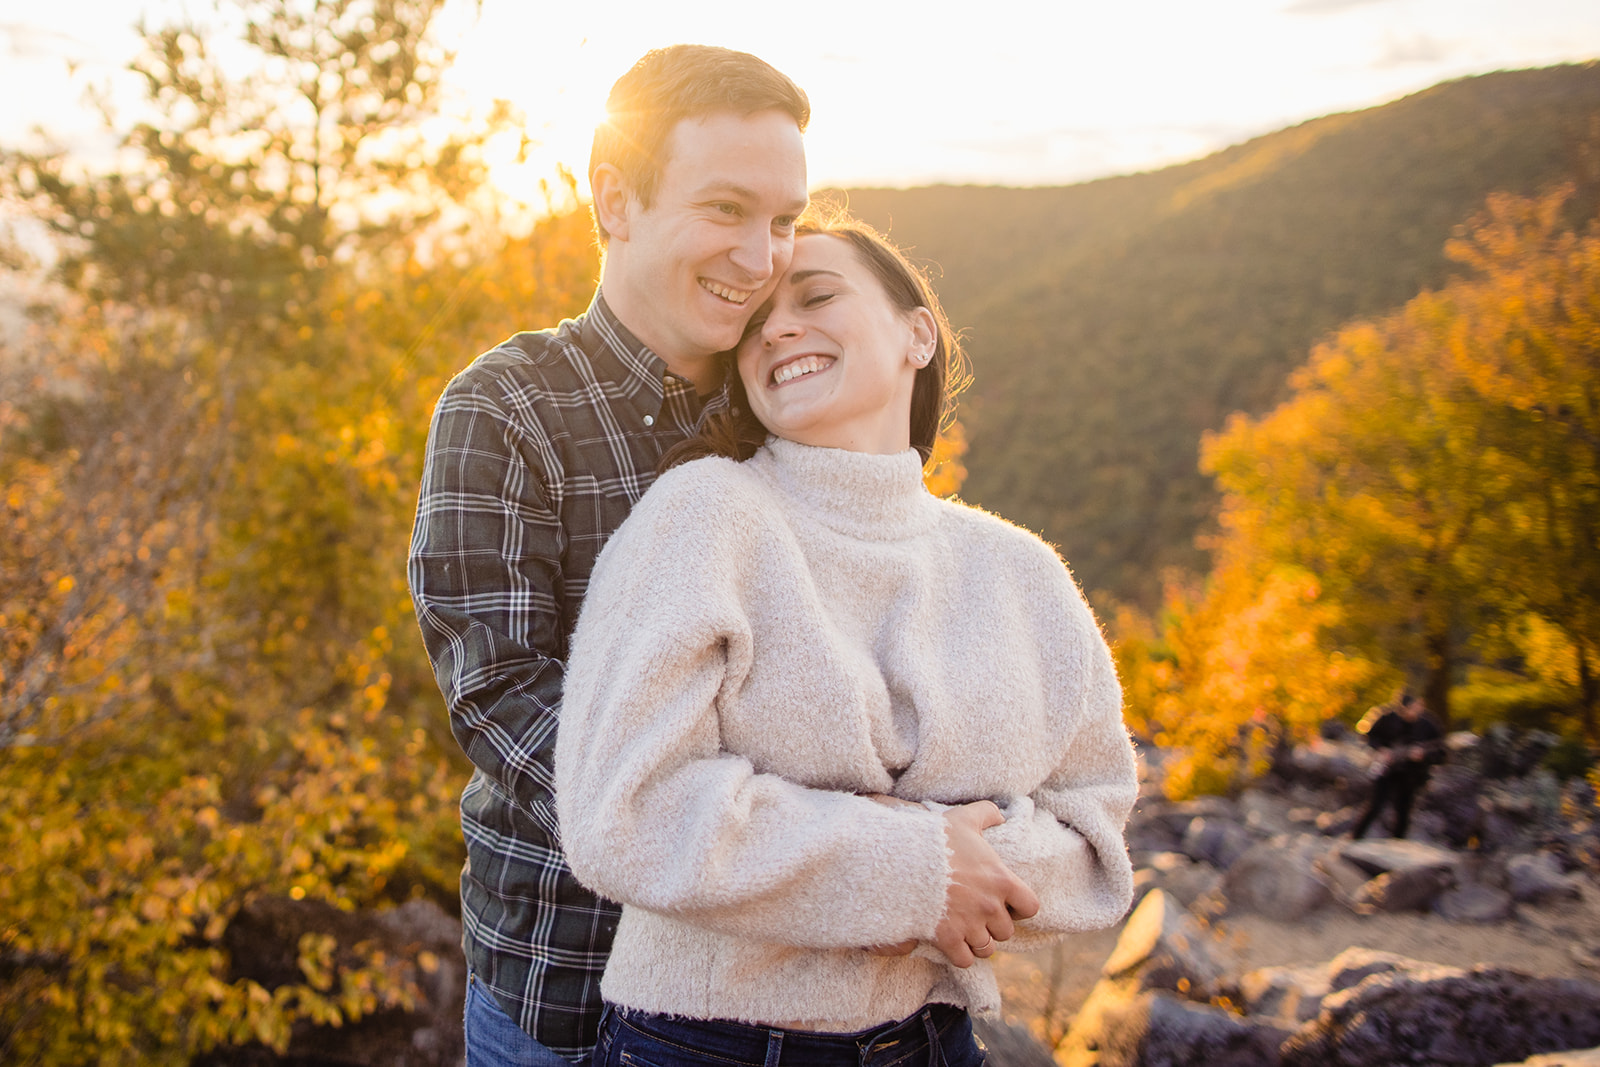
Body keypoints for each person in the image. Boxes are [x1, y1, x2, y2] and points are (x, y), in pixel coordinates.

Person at [555, 212, 1139, 1067]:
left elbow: (1096, 839)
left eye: (817, 295)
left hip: (937, 1040)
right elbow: (623, 808)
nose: (780, 327)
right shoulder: (704, 514)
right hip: (707, 1045)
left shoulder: (1022, 572)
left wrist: (966, 870)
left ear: (919, 334)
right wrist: (912, 870)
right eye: (755, 324)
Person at [407, 45, 811, 1065]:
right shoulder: (504, 407)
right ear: (616, 200)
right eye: (725, 209)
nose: (761, 256)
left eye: (784, 221)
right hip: (570, 982)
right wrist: (743, 835)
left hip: (782, 995)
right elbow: (501, 690)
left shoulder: (796, 403)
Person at [1352, 692, 1444, 840]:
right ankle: (1355, 838)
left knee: (1404, 811)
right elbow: (1369, 738)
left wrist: (1423, 755)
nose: (1415, 711)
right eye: (1411, 708)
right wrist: (1381, 750)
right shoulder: (1387, 719)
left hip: (1412, 775)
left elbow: (1441, 751)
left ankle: (1397, 844)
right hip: (1387, 770)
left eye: (1417, 706)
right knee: (1376, 805)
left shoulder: (1429, 725)